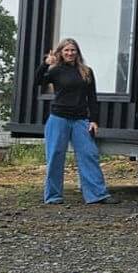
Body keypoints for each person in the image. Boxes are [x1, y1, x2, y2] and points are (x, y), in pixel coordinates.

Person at [34, 38, 112, 205]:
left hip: (80, 120)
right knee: (55, 156)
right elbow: (38, 81)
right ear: (61, 53)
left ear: (78, 53)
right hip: (58, 118)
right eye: (66, 50)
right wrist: (45, 64)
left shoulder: (86, 72)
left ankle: (97, 195)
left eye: (73, 50)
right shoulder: (55, 71)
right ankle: (53, 196)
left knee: (89, 154)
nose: (70, 53)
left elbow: (92, 98)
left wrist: (94, 120)